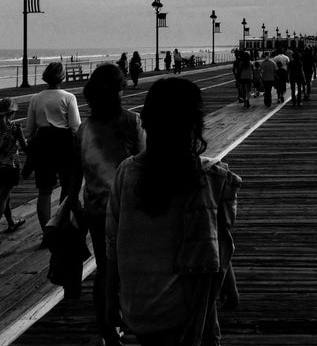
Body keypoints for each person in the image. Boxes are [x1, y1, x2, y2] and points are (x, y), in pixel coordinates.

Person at [105, 77, 241, 346]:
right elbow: (216, 240)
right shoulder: (210, 176)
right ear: (193, 125)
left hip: (139, 308)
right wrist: (229, 283)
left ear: (147, 122)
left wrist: (110, 301)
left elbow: (111, 245)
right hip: (187, 308)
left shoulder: (127, 172)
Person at [69, 64, 145, 346]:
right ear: (118, 91)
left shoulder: (84, 129)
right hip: (129, 208)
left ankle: (106, 327)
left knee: (104, 267)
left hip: (96, 209)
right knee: (130, 266)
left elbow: (75, 171)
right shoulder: (132, 121)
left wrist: (71, 202)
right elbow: (144, 163)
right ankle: (125, 317)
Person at [25, 62, 81, 235]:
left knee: (44, 191)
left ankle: (46, 233)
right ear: (62, 77)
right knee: (66, 187)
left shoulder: (36, 98)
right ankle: (61, 226)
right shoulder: (68, 97)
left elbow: (29, 130)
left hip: (43, 143)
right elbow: (75, 127)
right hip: (64, 143)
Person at [0, 98, 27, 233]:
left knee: (6, 195)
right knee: (3, 197)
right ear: (13, 112)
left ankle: (11, 222)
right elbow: (25, 148)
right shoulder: (15, 128)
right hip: (10, 167)